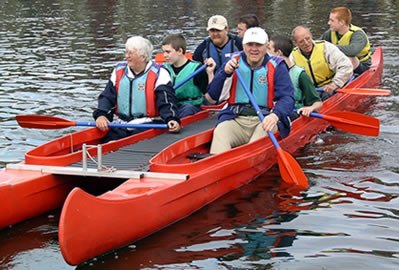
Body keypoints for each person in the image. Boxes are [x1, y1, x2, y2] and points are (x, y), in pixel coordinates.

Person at [207, 27, 295, 154]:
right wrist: (224, 73)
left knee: (253, 147)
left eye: (258, 45)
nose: (254, 49)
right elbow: (212, 97)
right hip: (235, 118)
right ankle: (218, 169)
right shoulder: (232, 62)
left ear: (266, 46)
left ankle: (247, 161)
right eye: (250, 44)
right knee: (220, 131)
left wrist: (275, 116)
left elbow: (288, 98)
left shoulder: (277, 66)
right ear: (243, 46)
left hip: (265, 119)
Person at [93, 36, 181, 143]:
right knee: (108, 141)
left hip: (149, 124)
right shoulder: (118, 71)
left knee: (133, 141)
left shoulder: (160, 73)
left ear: (143, 57)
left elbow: (166, 100)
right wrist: (101, 115)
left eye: (130, 53)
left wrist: (171, 119)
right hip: (122, 123)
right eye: (126, 52)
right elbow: (107, 97)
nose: (127, 56)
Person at [290, 25, 353, 100]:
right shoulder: (292, 57)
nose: (306, 43)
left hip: (331, 86)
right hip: (311, 90)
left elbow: (346, 66)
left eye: (307, 38)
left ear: (311, 35)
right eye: (301, 41)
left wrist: (334, 84)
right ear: (295, 43)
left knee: (326, 96)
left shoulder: (326, 47)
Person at [267, 34, 322, 120]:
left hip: (294, 114)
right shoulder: (266, 71)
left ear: (278, 53)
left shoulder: (300, 75)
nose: (265, 51)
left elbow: (318, 103)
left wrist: (310, 108)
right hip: (273, 112)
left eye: (269, 49)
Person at [161, 33, 216, 118]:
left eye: (168, 52)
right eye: (163, 52)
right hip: (171, 107)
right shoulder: (163, 69)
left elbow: (211, 97)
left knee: (188, 108)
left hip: (192, 107)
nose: (164, 55)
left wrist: (210, 73)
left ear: (179, 51)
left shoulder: (197, 69)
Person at [320, 7, 371, 75]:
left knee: (350, 58)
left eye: (332, 20)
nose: (329, 23)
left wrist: (330, 47)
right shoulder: (330, 32)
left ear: (341, 22)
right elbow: (319, 44)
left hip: (361, 66)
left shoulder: (358, 34)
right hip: (341, 64)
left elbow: (353, 51)